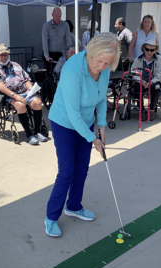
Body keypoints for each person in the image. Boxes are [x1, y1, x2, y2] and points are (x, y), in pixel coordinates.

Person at [44, 33, 120, 237]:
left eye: (107, 63)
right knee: (67, 171)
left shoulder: (103, 69)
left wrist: (101, 125)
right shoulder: (72, 69)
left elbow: (101, 99)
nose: (103, 66)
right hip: (64, 122)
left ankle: (74, 206)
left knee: (82, 169)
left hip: (86, 122)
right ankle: (51, 217)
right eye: (100, 61)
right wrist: (92, 138)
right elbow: (72, 113)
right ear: (90, 52)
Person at [0, 43, 48, 145]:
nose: (4, 57)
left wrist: (31, 89)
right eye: (1, 55)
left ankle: (37, 132)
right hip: (9, 96)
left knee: (37, 102)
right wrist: (16, 96)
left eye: (6, 54)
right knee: (20, 105)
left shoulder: (16, 65)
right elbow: (1, 87)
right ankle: (29, 135)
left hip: (24, 92)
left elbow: (26, 80)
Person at [131, 40, 161, 121]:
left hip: (153, 81)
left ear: (155, 51)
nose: (149, 52)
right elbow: (133, 72)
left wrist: (151, 82)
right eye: (147, 49)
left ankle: (151, 110)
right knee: (136, 88)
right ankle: (141, 110)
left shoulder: (159, 59)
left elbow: (160, 75)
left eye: (152, 50)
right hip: (141, 81)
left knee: (157, 88)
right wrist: (140, 81)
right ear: (144, 49)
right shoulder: (138, 59)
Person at [42, 7, 72, 72]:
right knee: (50, 73)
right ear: (52, 14)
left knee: (61, 72)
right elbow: (45, 41)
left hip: (60, 54)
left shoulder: (65, 25)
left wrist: (69, 53)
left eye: (59, 16)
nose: (58, 17)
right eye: (56, 16)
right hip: (50, 54)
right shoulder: (46, 25)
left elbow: (68, 39)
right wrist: (46, 56)